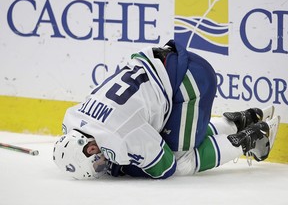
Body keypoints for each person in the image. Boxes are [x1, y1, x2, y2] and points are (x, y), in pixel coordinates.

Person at [53, 40, 280, 179]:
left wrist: (124, 168)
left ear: (92, 148)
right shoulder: (73, 117)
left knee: (182, 160)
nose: (102, 166)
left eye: (97, 164)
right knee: (170, 137)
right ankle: (239, 121)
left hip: (189, 82)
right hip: (165, 68)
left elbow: (165, 167)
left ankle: (252, 138)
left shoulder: (120, 136)